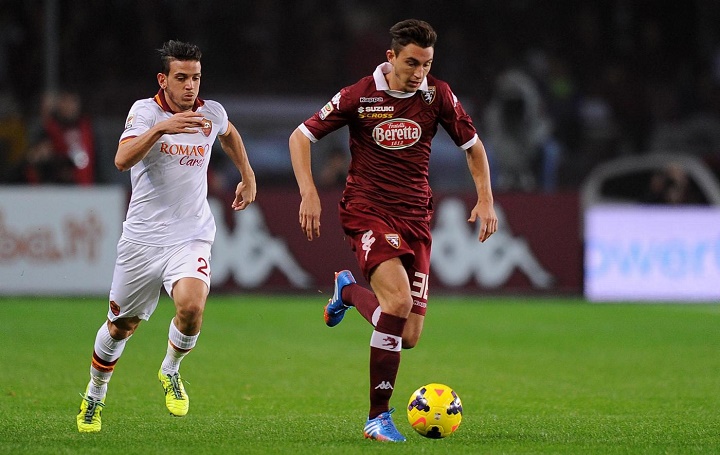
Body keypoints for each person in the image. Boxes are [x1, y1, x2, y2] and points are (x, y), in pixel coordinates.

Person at [289, 19, 497, 442]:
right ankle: (377, 417)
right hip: (367, 210)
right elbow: (301, 135)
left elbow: (473, 148)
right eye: (412, 62)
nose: (420, 72)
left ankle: (346, 292)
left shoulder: (437, 95)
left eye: (427, 63)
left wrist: (486, 198)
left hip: (416, 217)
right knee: (398, 302)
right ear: (391, 57)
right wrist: (309, 191)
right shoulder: (359, 96)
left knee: (409, 335)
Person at [76, 40, 257, 433]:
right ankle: (95, 395)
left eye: (195, 77)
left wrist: (247, 173)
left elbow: (228, 134)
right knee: (120, 327)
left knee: (192, 307)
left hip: (190, 235)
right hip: (142, 240)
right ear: (164, 79)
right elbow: (122, 160)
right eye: (181, 78)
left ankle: (170, 369)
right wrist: (161, 128)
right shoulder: (144, 112)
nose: (190, 86)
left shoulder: (211, 112)